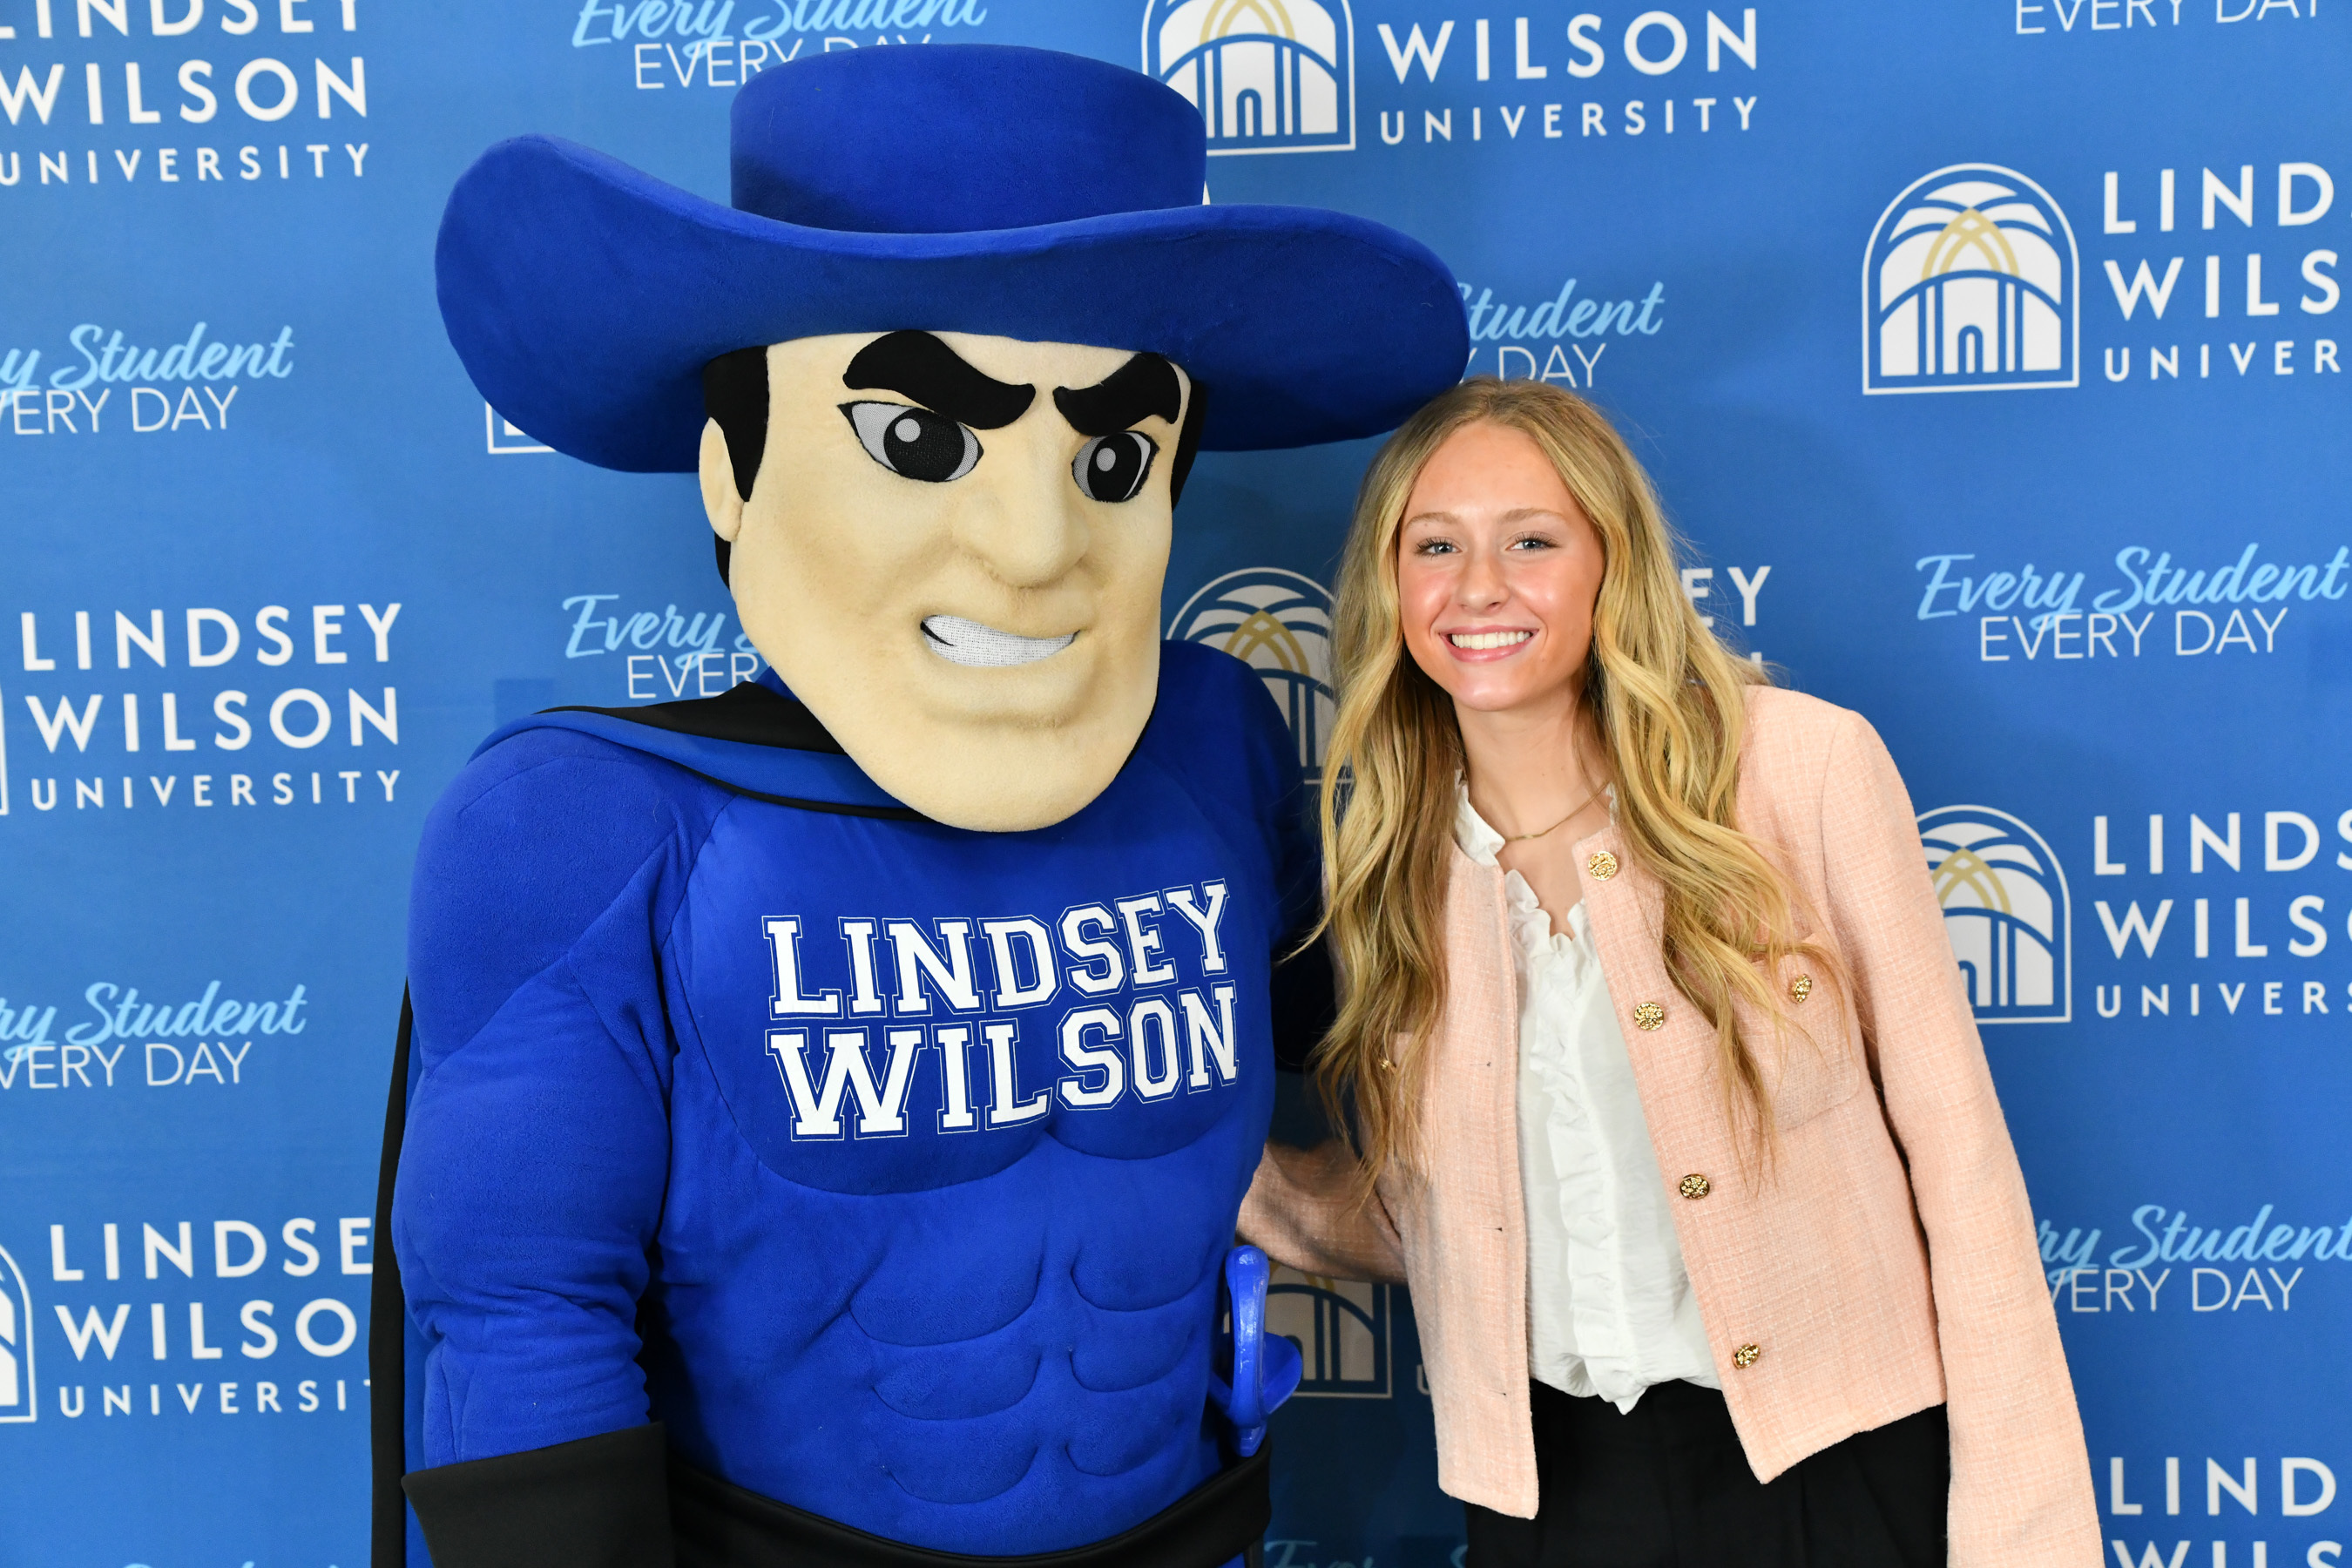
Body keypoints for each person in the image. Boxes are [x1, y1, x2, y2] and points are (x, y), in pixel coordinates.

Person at [371, 44, 1466, 1568]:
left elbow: (1401, 1028)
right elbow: (516, 1319)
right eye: (922, 439)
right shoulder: (584, 827)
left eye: (1112, 453)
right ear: (732, 468)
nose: (1034, 544)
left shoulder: (1211, 743)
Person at [1239, 379, 2099, 1568]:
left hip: (1836, 1474)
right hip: (1549, 1498)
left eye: (1530, 542)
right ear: (1391, 584)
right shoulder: (1396, 863)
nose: (1477, 588)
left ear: (1612, 562)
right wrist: (1204, 1175)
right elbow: (1436, 1207)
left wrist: (2025, 1536)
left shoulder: (1801, 772)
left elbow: (1962, 1169)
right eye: (1434, 546)